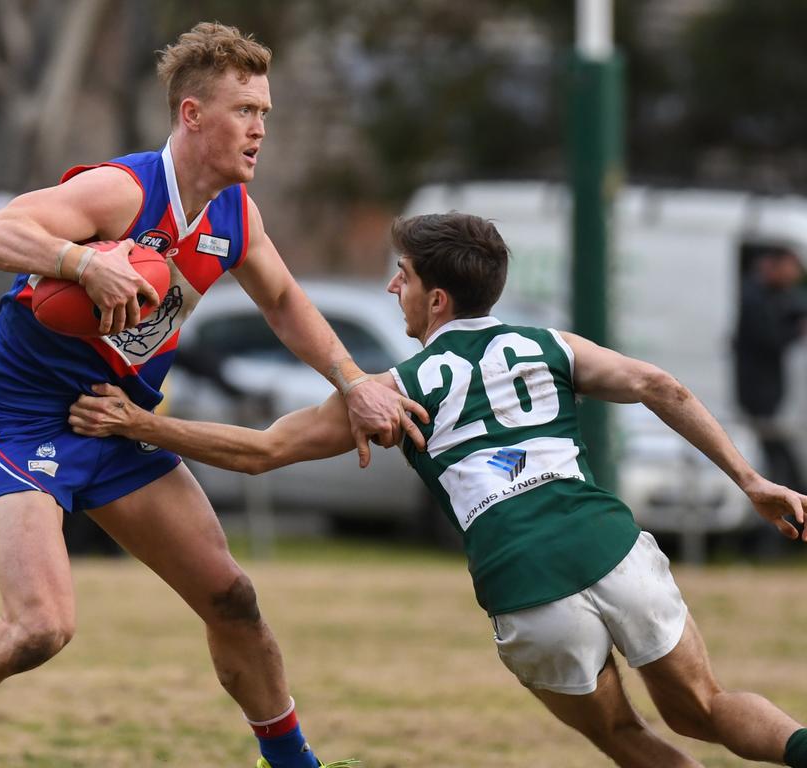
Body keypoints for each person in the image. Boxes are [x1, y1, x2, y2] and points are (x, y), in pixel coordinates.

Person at [0, 22, 416, 768]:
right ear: (192, 115)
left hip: (115, 424)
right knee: (39, 629)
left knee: (232, 597)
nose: (260, 129)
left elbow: (287, 306)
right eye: (245, 111)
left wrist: (354, 381)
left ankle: (294, 764)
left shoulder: (234, 215)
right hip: (18, 420)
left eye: (265, 113)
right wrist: (80, 262)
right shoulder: (121, 190)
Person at [69, 212, 807, 768]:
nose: (394, 286)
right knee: (704, 708)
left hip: (523, 583)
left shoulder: (395, 391)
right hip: (611, 548)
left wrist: (140, 423)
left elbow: (262, 452)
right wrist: (751, 479)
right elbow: (660, 384)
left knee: (624, 736)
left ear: (439, 299)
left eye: (404, 275)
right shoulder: (546, 345)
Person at [734, 245, 807, 494]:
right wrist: (795, 331)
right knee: (777, 458)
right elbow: (768, 338)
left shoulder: (772, 295)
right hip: (758, 394)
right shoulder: (753, 297)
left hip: (767, 395)